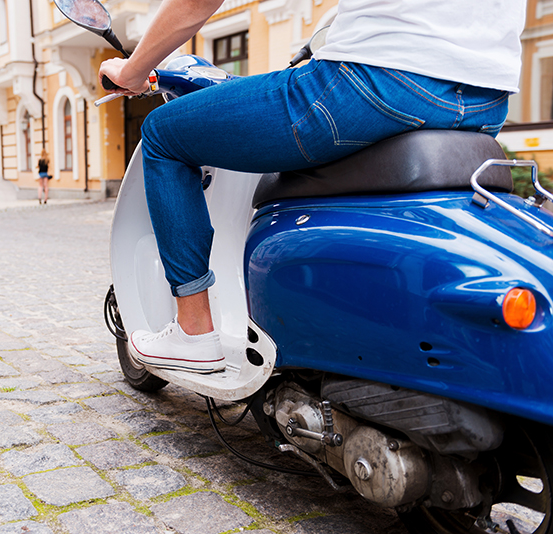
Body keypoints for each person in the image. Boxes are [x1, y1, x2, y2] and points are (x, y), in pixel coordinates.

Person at [98, 0, 525, 373]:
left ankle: (193, 332)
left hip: (376, 82)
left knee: (163, 135)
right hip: (485, 101)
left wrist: (133, 70)